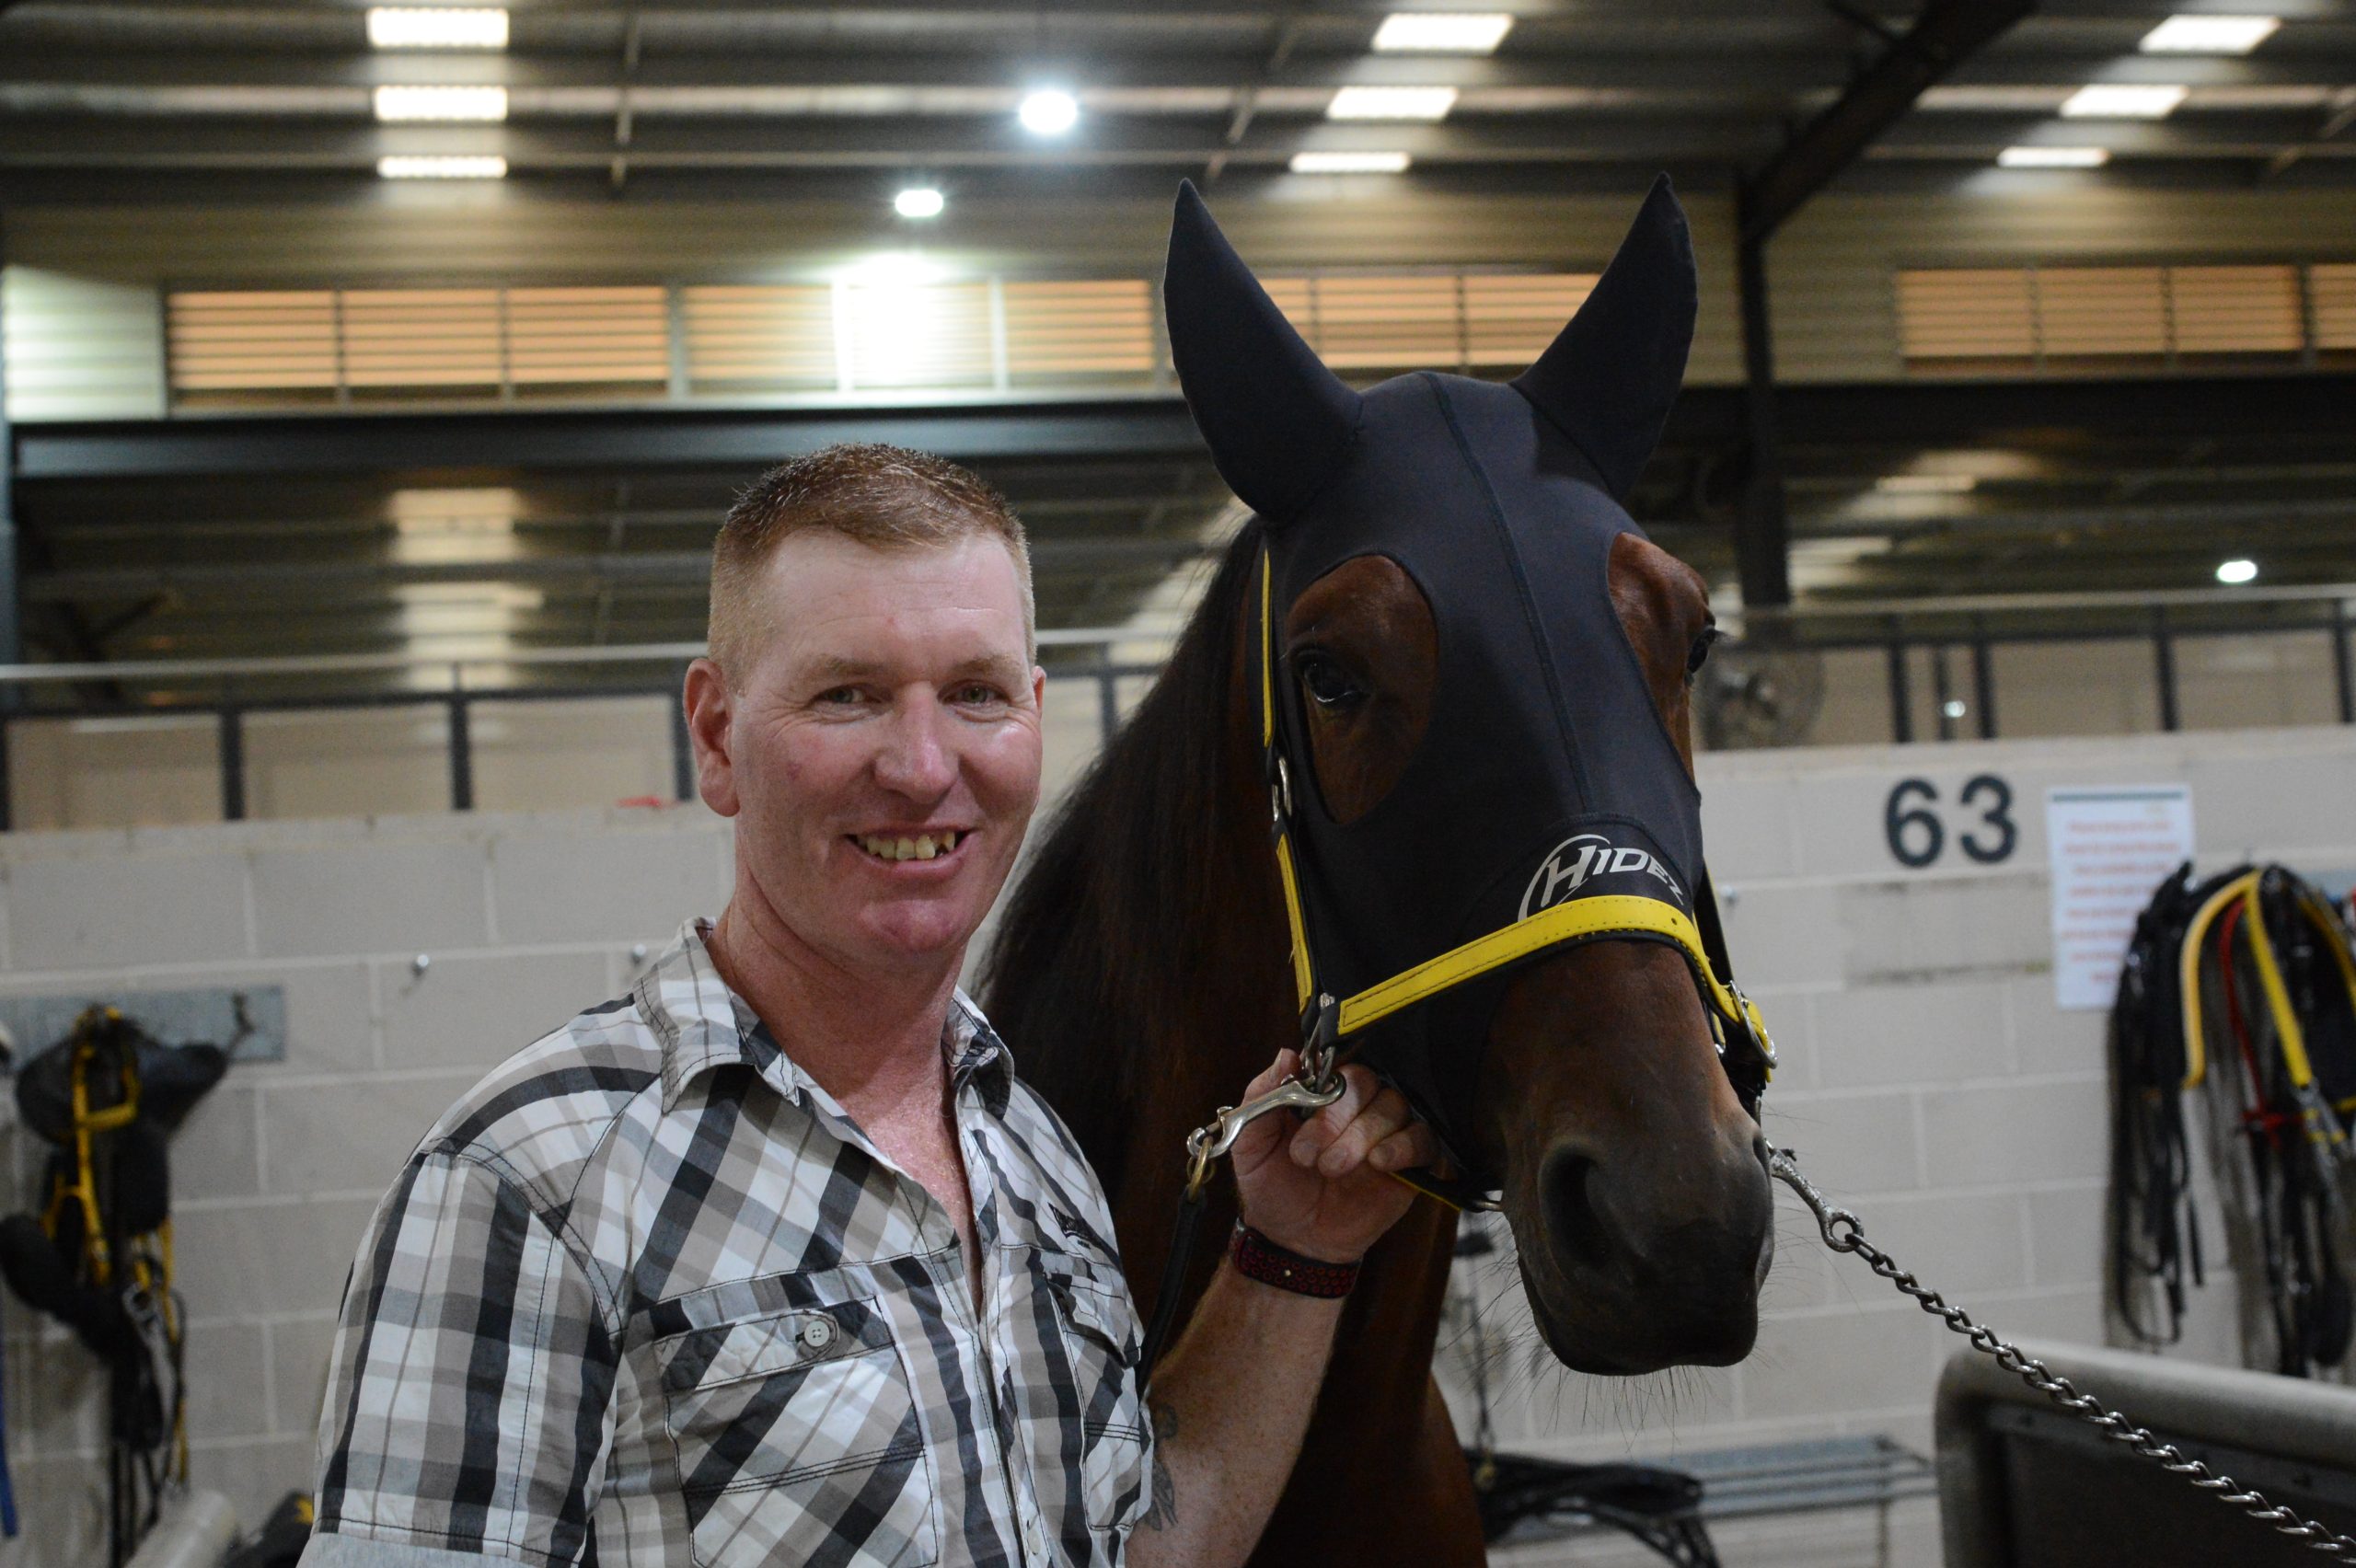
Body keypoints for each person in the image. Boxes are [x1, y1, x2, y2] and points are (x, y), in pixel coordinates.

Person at [299, 443, 1440, 1568]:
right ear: (715, 737)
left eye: (975, 694)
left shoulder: (1033, 1160)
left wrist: (1292, 1256)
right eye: (847, 695)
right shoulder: (528, 1185)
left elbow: (1132, 1549)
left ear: (1034, 716)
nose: (920, 764)